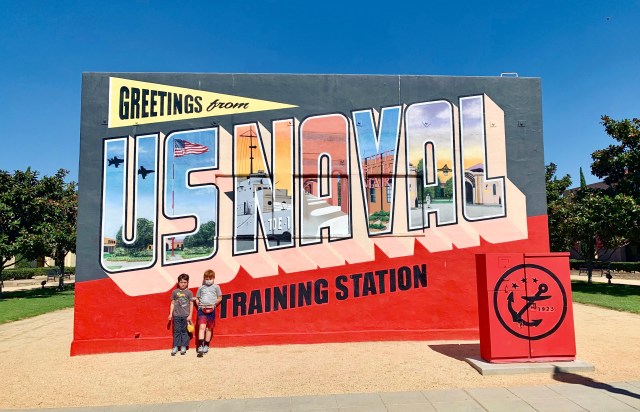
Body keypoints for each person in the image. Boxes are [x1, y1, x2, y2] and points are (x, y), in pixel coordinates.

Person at [195, 269, 222, 356]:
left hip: (211, 310)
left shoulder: (216, 287)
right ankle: (200, 346)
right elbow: (197, 298)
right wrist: (199, 305)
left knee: (209, 328)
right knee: (202, 327)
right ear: (204, 279)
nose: (208, 280)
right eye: (206, 279)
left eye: (210, 279)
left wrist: (214, 304)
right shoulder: (201, 288)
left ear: (213, 278)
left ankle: (206, 345)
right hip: (202, 310)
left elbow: (220, 298)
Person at [168, 273, 194, 356]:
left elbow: (191, 304)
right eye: (181, 282)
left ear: (188, 283)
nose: (183, 284)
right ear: (178, 282)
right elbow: (172, 303)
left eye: (185, 282)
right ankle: (176, 346)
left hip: (186, 315)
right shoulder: (175, 292)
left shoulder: (189, 292)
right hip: (176, 315)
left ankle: (183, 346)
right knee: (177, 331)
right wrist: (170, 314)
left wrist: (190, 315)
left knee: (184, 331)